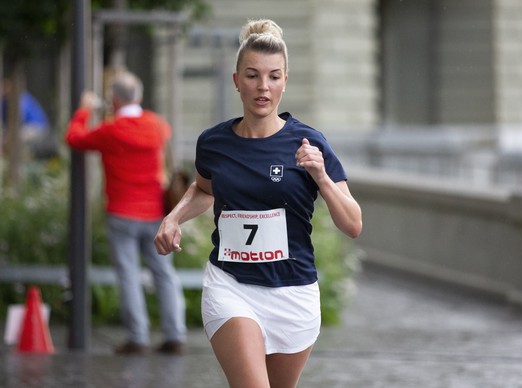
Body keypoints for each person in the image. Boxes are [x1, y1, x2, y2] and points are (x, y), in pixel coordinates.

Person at [154, 19, 362, 386]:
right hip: (231, 285)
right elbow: (204, 190)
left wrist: (322, 177)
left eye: (274, 76)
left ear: (285, 81)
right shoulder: (213, 143)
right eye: (252, 76)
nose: (263, 87)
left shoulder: (309, 143)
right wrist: (173, 218)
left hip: (293, 292)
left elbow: (353, 224)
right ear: (237, 81)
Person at [65, 71, 187, 355]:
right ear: (139, 97)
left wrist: (85, 109)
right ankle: (175, 335)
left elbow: (74, 138)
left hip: (122, 213)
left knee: (129, 275)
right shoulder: (157, 125)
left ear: (114, 99)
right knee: (164, 274)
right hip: (156, 213)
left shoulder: (111, 131)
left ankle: (138, 337)